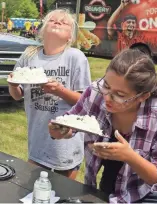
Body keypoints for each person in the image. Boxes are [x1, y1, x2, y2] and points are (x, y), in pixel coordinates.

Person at [49, 49, 157, 203]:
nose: (106, 97)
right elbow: (71, 121)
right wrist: (59, 130)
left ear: (142, 96)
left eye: (120, 95)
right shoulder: (96, 91)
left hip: (153, 194)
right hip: (115, 180)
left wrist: (130, 157)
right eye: (106, 85)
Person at [8, 9, 91, 180]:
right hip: (38, 141)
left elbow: (86, 101)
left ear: (70, 37)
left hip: (67, 143)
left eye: (64, 22)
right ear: (43, 30)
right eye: (52, 20)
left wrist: (59, 90)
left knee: (62, 193)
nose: (57, 22)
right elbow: (17, 95)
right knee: (32, 190)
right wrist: (13, 85)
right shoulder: (29, 55)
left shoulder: (76, 57)